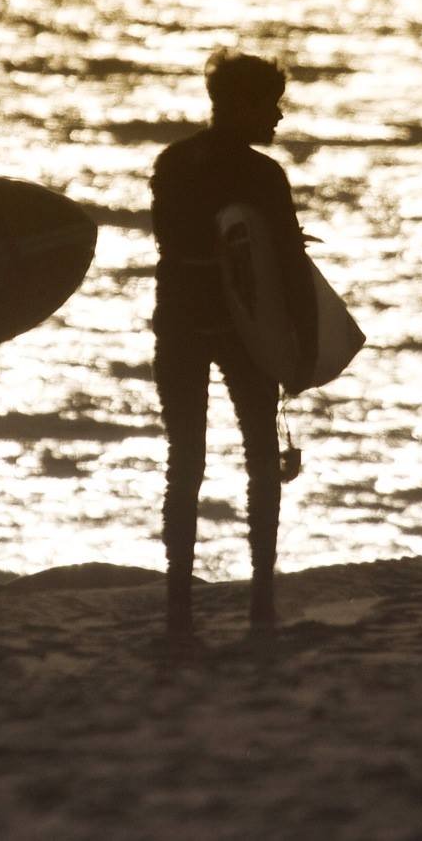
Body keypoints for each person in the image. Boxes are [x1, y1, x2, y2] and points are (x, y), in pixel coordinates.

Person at [151, 52, 316, 644]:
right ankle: (262, 602)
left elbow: (173, 243)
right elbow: (287, 264)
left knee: (186, 462)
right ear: (240, 105)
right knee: (260, 457)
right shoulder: (262, 176)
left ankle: (178, 609)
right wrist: (303, 342)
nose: (276, 116)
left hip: (178, 323)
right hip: (244, 330)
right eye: (269, 105)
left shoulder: (172, 163)